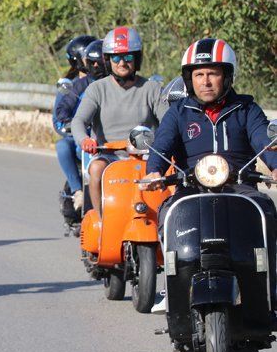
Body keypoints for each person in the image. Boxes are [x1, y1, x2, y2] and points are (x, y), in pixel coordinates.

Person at [140, 38, 277, 316]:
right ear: (189, 79)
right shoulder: (178, 113)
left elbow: (265, 141)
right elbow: (161, 145)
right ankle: (172, 286)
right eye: (198, 75)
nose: (206, 81)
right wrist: (153, 170)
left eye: (213, 73)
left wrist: (275, 166)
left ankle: (270, 289)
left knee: (266, 211)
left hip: (239, 187)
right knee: (167, 214)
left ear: (227, 76)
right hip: (191, 188)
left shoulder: (246, 109)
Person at [72, 26, 167, 214]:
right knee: (96, 169)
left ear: (137, 59)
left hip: (146, 156)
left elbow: (168, 122)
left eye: (128, 57)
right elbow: (79, 121)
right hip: (109, 156)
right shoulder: (97, 89)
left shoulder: (152, 88)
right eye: (115, 57)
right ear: (107, 60)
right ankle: (101, 222)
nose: (122, 62)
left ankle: (165, 225)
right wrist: (85, 140)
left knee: (172, 175)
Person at [53, 35, 98, 214]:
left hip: (104, 135)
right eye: (91, 59)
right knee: (63, 146)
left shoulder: (107, 83)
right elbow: (59, 119)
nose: (96, 63)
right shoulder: (72, 87)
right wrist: (73, 128)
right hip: (81, 137)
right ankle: (77, 190)